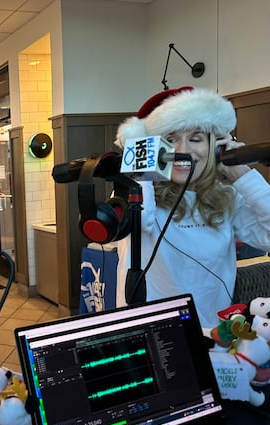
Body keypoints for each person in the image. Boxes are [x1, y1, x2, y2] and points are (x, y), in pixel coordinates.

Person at [114, 86, 270, 330]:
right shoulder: (134, 190)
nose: (183, 151)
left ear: (216, 148)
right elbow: (141, 221)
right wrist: (140, 163)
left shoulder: (226, 196)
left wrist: (242, 174)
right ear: (152, 147)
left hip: (213, 335)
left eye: (196, 139)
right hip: (152, 334)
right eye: (171, 139)